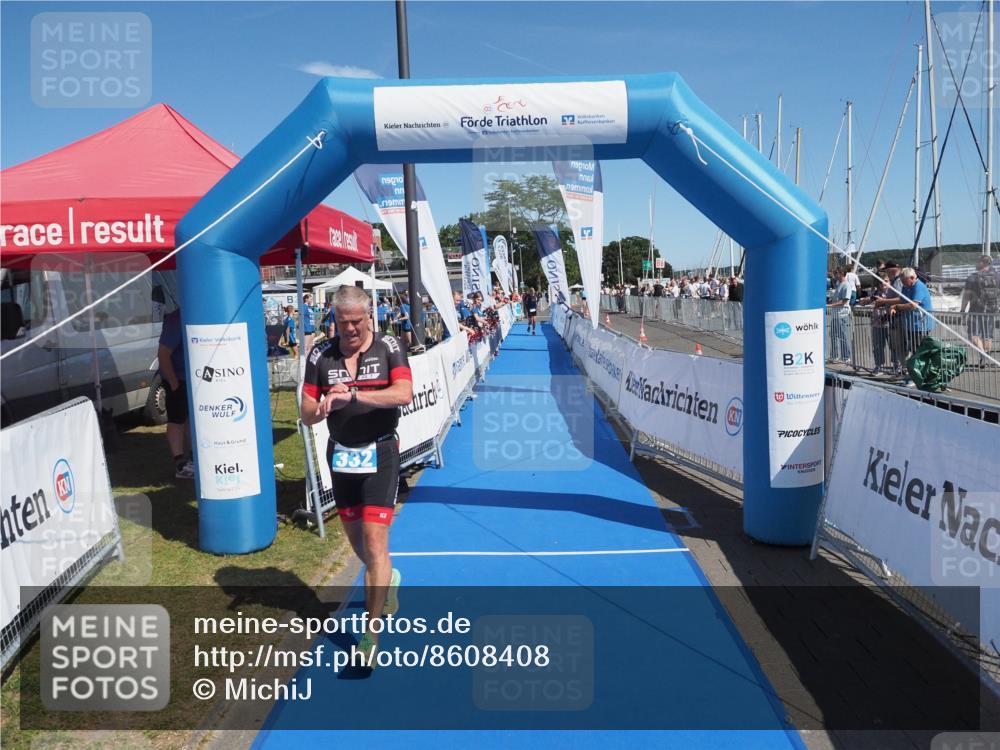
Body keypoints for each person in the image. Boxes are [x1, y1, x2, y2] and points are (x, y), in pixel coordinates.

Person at [300, 285, 413, 664]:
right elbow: (306, 411)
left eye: (355, 322)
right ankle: (387, 577)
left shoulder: (389, 347)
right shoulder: (320, 353)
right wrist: (323, 405)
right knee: (358, 544)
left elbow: (402, 394)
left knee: (375, 541)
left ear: (369, 317)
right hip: (342, 456)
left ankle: (370, 634)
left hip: (380, 452)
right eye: (342, 322)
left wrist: (355, 396)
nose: (349, 329)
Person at [157, 309, 194, 480]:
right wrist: (173, 384)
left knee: (191, 419)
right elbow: (163, 353)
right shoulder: (176, 318)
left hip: (195, 378)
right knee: (177, 420)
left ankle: (194, 458)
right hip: (178, 378)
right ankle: (180, 463)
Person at [892, 267, 935, 379]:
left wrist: (896, 306)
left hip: (920, 325)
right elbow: (902, 300)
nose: (903, 284)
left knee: (918, 352)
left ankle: (921, 376)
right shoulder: (907, 287)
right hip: (911, 324)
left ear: (912, 278)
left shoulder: (919, 286)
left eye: (905, 282)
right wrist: (893, 306)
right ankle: (916, 375)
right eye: (902, 282)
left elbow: (912, 305)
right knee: (913, 350)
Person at [961, 255, 999, 367]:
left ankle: (983, 355)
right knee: (988, 335)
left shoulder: (972, 278)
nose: (976, 264)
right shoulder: (997, 276)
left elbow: (966, 296)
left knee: (973, 335)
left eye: (977, 261)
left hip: (975, 310)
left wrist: (963, 310)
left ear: (983, 263)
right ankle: (985, 357)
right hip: (992, 310)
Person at [859, 270, 894, 372]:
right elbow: (862, 303)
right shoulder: (875, 293)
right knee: (878, 346)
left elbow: (897, 303)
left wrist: (883, 302)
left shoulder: (892, 293)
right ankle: (878, 366)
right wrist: (864, 301)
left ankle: (897, 365)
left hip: (890, 323)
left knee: (894, 346)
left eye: (886, 281)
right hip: (877, 324)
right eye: (881, 282)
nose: (883, 284)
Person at [828, 268, 853, 363]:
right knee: (833, 335)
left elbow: (844, 301)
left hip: (842, 314)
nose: (834, 275)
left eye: (836, 273)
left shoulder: (846, 285)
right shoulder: (839, 284)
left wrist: (830, 305)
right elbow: (837, 298)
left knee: (843, 335)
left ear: (842, 273)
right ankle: (834, 356)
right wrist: (830, 301)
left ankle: (846, 357)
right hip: (835, 314)